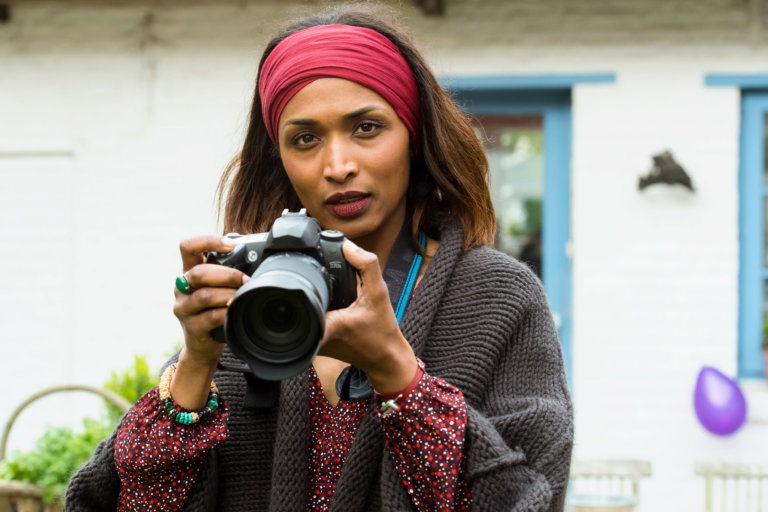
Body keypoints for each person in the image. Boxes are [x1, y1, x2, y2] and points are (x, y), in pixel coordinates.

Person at [65, 5, 573, 511]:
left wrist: (396, 372)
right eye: (305, 138)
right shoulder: (252, 298)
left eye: (367, 128)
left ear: (414, 136)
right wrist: (197, 364)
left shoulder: (495, 298)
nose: (338, 165)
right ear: (280, 158)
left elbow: (530, 499)